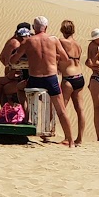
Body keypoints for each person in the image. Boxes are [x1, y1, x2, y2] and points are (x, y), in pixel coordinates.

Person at [17, 17, 73, 146]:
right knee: (61, 109)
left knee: (20, 88)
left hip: (34, 79)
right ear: (46, 27)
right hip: (50, 78)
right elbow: (65, 58)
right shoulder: (53, 40)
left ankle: (28, 116)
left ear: (34, 28)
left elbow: (15, 59)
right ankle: (70, 140)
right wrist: (52, 56)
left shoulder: (29, 41)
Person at [56, 20, 86, 147]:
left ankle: (68, 138)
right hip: (79, 77)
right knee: (80, 109)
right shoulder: (78, 45)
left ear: (63, 30)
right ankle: (79, 138)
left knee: (62, 109)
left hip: (68, 78)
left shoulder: (61, 41)